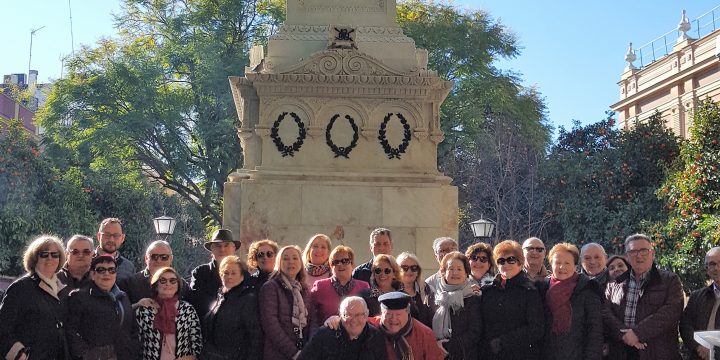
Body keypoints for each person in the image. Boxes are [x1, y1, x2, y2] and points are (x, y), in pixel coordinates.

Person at [605, 233, 684, 360]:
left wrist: (637, 333)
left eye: (644, 251)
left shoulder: (670, 280)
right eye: (633, 251)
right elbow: (606, 313)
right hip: (622, 351)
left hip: (656, 352)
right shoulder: (615, 283)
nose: (639, 255)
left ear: (652, 254)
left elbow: (671, 313)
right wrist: (625, 335)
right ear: (627, 256)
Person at [0, 235, 68, 360]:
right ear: (34, 257)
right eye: (44, 254)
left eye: (54, 255)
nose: (50, 258)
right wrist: (19, 354)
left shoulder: (62, 289)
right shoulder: (20, 288)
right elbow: (2, 328)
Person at [66, 255, 140, 360]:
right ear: (92, 274)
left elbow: (132, 328)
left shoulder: (123, 297)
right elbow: (70, 330)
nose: (107, 274)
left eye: (111, 270)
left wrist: (132, 350)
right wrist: (85, 354)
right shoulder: (79, 297)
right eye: (101, 270)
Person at [537, 243, 603, 360]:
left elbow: (595, 331)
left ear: (575, 266)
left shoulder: (588, 289)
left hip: (577, 354)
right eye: (557, 263)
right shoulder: (541, 289)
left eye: (567, 263)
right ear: (551, 264)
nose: (562, 267)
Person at [480, 240, 544, 360]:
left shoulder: (529, 291)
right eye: (501, 261)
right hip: (489, 354)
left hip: (519, 353)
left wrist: (503, 341)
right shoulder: (487, 291)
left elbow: (536, 329)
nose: (506, 264)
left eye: (511, 260)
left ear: (520, 263)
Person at [200, 255, 261, 360]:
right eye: (226, 273)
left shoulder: (248, 299)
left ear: (242, 276)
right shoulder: (219, 296)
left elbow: (255, 338)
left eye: (233, 273)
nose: (229, 277)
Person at [136, 267, 202, 360]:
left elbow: (196, 341)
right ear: (155, 285)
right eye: (163, 280)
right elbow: (136, 343)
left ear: (178, 285)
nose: (168, 284)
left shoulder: (187, 309)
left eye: (173, 281)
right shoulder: (145, 310)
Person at [260, 245, 309, 360]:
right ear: (279, 263)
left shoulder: (304, 289)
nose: (291, 262)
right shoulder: (270, 287)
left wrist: (309, 348)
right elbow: (270, 324)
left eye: (295, 258)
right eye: (285, 259)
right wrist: (294, 353)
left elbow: (312, 321)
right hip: (278, 353)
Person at [299, 296, 387, 360]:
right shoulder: (325, 335)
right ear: (340, 315)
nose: (354, 320)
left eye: (359, 315)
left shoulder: (375, 337)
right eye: (348, 315)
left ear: (366, 315)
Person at [431, 251, 481, 360]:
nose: (455, 273)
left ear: (466, 273)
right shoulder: (435, 297)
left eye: (459, 269)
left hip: (465, 355)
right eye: (451, 269)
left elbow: (475, 332)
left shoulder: (473, 298)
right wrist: (435, 345)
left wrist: (447, 347)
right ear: (443, 272)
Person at [309, 245, 370, 331]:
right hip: (326, 337)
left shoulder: (363, 287)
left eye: (345, 261)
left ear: (352, 264)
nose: (340, 265)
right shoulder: (320, 287)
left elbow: (369, 317)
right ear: (331, 266)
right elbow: (311, 318)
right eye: (335, 262)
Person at [371, 292, 445, 360]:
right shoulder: (370, 328)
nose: (393, 319)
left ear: (407, 313)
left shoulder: (424, 334)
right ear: (381, 313)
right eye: (388, 314)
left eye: (398, 315)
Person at [187, 229, 241, 318]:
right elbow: (196, 301)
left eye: (226, 245)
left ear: (234, 248)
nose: (222, 249)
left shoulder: (243, 273)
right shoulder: (200, 273)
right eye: (217, 245)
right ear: (211, 249)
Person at [120, 240, 187, 308]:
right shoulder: (130, 283)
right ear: (146, 259)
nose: (159, 261)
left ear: (171, 259)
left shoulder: (181, 284)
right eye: (154, 257)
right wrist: (136, 306)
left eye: (164, 257)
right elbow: (120, 312)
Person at [680, 246, 720, 360]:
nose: (716, 268)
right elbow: (685, 325)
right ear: (707, 269)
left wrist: (714, 352)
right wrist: (698, 347)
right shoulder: (697, 296)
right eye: (712, 264)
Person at [396, 252, 433, 327]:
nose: (409, 271)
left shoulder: (426, 289)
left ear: (418, 271)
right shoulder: (392, 290)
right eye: (405, 268)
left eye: (413, 268)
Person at [96, 217, 136, 282]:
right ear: (99, 236)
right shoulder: (87, 262)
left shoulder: (129, 267)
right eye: (107, 235)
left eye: (116, 236)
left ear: (122, 238)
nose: (111, 240)